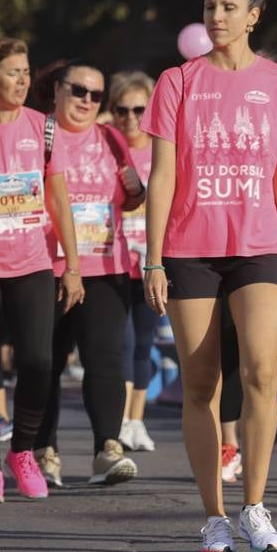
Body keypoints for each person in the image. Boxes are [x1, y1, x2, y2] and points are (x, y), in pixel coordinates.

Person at [143, 0, 277, 552]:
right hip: (190, 248)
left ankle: (254, 507)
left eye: (228, 8)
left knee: (262, 371)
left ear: (254, 15)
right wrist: (153, 259)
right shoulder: (178, 82)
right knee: (200, 382)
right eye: (210, 6)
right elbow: (162, 177)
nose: (216, 17)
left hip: (260, 246)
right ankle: (213, 514)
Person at [0, 38, 84, 503]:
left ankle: (22, 451)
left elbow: (59, 200)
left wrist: (73, 265)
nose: (23, 80)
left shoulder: (44, 129)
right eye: (13, 72)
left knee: (39, 362)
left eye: (27, 72)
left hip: (32, 264)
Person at [30, 61, 143, 487]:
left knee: (107, 358)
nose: (87, 101)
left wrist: (136, 191)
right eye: (79, 91)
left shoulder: (112, 138)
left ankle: (108, 449)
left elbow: (128, 202)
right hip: (47, 264)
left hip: (105, 263)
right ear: (57, 90)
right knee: (45, 361)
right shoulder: (36, 135)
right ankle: (43, 451)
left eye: (96, 95)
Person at [109, 71, 161, 453]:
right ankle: (121, 420)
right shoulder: (106, 147)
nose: (130, 118)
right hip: (111, 259)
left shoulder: (163, 149)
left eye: (139, 110)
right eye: (121, 110)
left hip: (151, 260)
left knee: (144, 342)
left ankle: (136, 420)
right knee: (121, 342)